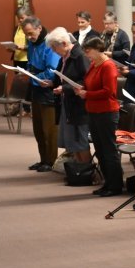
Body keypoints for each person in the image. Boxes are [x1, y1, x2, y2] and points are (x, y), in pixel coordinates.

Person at [76, 37, 123, 197]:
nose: (86, 54)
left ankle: (115, 185)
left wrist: (86, 94)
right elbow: (90, 83)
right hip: (94, 111)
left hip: (107, 112)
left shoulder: (108, 65)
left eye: (88, 51)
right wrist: (82, 88)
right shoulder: (94, 64)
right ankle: (107, 183)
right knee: (100, 149)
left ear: (97, 49)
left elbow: (108, 92)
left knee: (109, 150)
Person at [46, 27, 92, 167]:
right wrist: (52, 83)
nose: (54, 51)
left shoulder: (80, 56)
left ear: (64, 43)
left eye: (54, 48)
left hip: (79, 106)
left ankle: (87, 171)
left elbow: (87, 80)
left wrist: (65, 88)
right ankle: (78, 170)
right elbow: (62, 76)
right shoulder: (65, 56)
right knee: (72, 142)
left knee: (80, 141)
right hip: (68, 103)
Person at [22, 18, 60, 171]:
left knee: (49, 129)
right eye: (26, 34)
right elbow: (31, 61)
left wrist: (35, 78)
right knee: (37, 128)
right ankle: (43, 159)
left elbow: (52, 70)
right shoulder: (32, 42)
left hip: (48, 90)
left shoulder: (49, 43)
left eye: (30, 33)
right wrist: (27, 71)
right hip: (36, 87)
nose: (29, 37)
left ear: (39, 28)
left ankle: (51, 161)